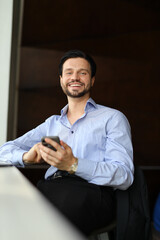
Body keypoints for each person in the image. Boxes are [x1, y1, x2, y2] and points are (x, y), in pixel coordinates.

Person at [0, 50, 134, 236]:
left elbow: (124, 176)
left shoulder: (112, 118)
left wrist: (74, 165)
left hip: (91, 192)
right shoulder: (52, 123)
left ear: (92, 80)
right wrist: (25, 157)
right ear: (61, 79)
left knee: (51, 224)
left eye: (83, 73)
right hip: (51, 188)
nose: (75, 77)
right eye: (69, 72)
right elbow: (4, 151)